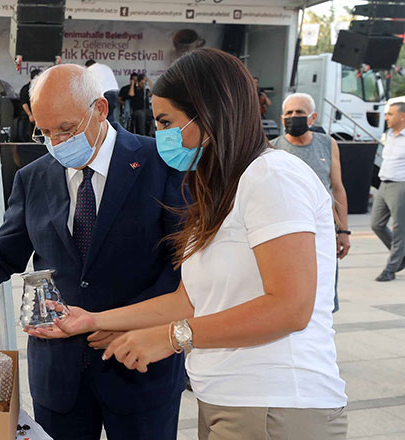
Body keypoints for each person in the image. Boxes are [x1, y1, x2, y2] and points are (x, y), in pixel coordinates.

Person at [31, 49, 348, 440]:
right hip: (228, 400)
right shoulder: (220, 189)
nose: (160, 134)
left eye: (167, 121)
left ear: (211, 114)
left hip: (277, 402)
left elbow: (290, 306)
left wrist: (171, 336)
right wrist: (95, 320)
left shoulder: (273, 177)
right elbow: (190, 298)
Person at [0, 65, 187, 440]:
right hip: (60, 372)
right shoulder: (34, 177)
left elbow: (183, 267)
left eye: (67, 129)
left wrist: (121, 322)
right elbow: (6, 251)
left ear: (101, 109)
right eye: (45, 132)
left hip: (140, 364)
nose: (56, 142)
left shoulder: (161, 164)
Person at [269, 92, 349, 310]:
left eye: (300, 113)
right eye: (289, 113)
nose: (293, 117)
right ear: (282, 117)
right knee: (293, 296)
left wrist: (343, 231)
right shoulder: (272, 148)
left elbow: (338, 189)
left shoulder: (327, 144)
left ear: (312, 118)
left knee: (325, 297)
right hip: (289, 233)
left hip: (323, 232)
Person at [371, 101, 405, 281]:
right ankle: (401, 257)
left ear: (402, 116)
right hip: (383, 184)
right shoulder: (388, 135)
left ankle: (391, 268)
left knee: (400, 228)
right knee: (376, 224)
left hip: (401, 185)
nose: (386, 118)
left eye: (390, 114)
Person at [85, 59, 119, 124]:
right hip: (115, 91)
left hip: (106, 93)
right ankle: (112, 129)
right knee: (110, 113)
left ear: (87, 65)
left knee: (103, 115)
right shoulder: (105, 67)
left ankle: (106, 132)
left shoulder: (90, 69)